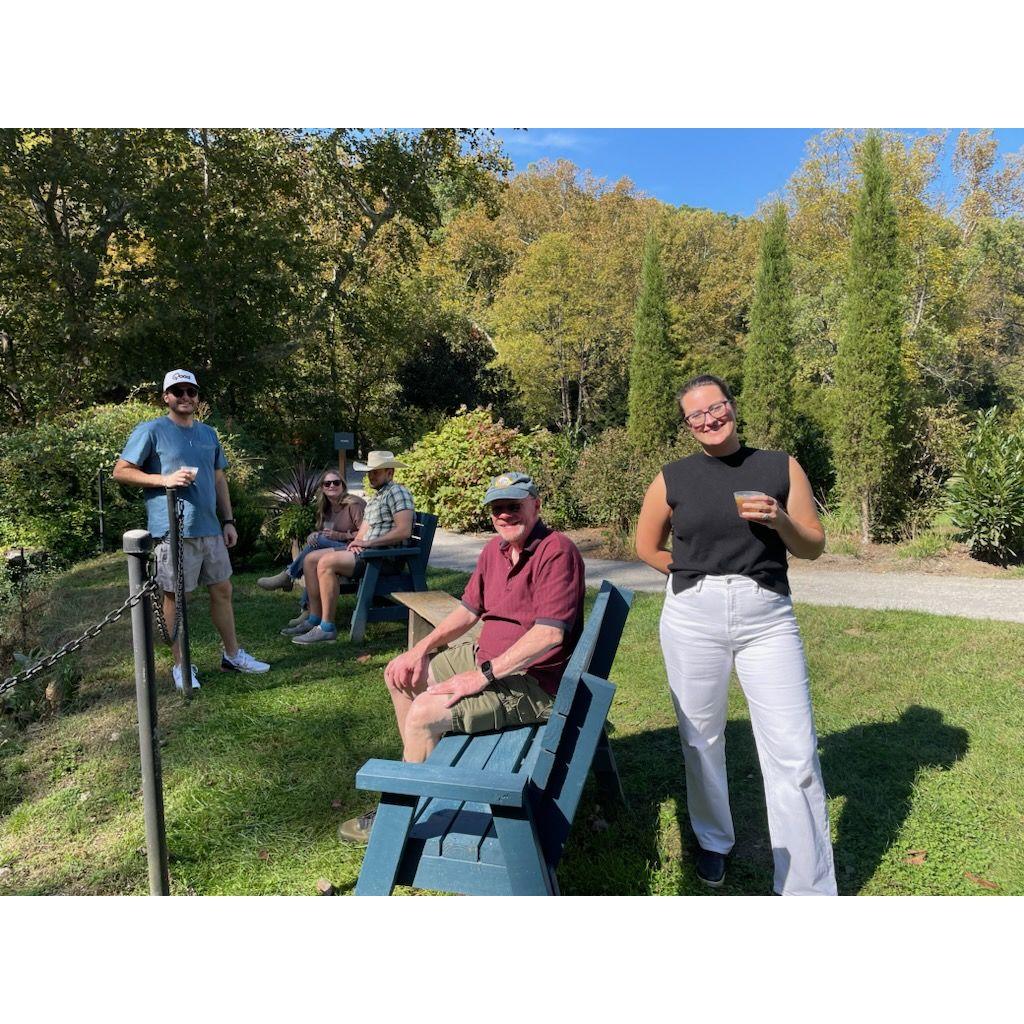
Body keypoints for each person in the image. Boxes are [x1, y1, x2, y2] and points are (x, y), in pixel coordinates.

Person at [635, 374, 837, 896]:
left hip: (766, 615)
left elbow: (813, 546)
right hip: (692, 615)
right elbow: (646, 545)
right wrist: (693, 578)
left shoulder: (778, 466)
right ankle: (713, 840)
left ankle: (807, 889)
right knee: (701, 740)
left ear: (731, 405)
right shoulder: (672, 477)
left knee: (795, 751)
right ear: (687, 424)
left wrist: (780, 520)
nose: (708, 419)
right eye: (695, 414)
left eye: (715, 407)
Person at [338, 471, 586, 843]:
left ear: (535, 505)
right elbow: (469, 612)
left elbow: (549, 635)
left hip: (536, 684)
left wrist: (481, 676)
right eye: (497, 508)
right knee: (401, 675)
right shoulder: (495, 550)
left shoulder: (557, 551)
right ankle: (421, 778)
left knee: (423, 715)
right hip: (489, 659)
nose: (505, 515)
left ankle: (402, 811)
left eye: (514, 506)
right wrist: (420, 649)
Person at [113, 369, 270, 689]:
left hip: (210, 528)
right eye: (178, 391)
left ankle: (232, 656)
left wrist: (228, 521)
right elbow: (121, 471)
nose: (185, 397)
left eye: (191, 392)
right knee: (175, 597)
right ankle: (181, 666)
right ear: (166, 397)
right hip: (172, 530)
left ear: (198, 398)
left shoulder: (209, 433)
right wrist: (163, 480)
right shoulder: (151, 431)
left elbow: (218, 478)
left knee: (223, 591)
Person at [289, 451, 415, 644]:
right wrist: (357, 542)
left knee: (326, 563)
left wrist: (367, 543)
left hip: (384, 557)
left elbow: (404, 531)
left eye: (376, 472)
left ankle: (326, 628)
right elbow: (362, 532)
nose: (371, 476)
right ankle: (313, 618)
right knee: (310, 559)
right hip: (368, 552)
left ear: (390, 473)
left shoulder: (397, 492)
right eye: (369, 472)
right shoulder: (376, 498)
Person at [257, 472, 366, 594]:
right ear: (322, 488)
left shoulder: (354, 504)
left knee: (318, 543)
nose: (332, 486)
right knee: (314, 550)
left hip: (355, 551)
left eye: (336, 482)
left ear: (343, 486)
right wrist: (313, 534)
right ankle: (307, 608)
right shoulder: (326, 508)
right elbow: (323, 532)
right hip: (339, 548)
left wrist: (339, 535)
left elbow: (366, 533)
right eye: (327, 483)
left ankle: (288, 575)